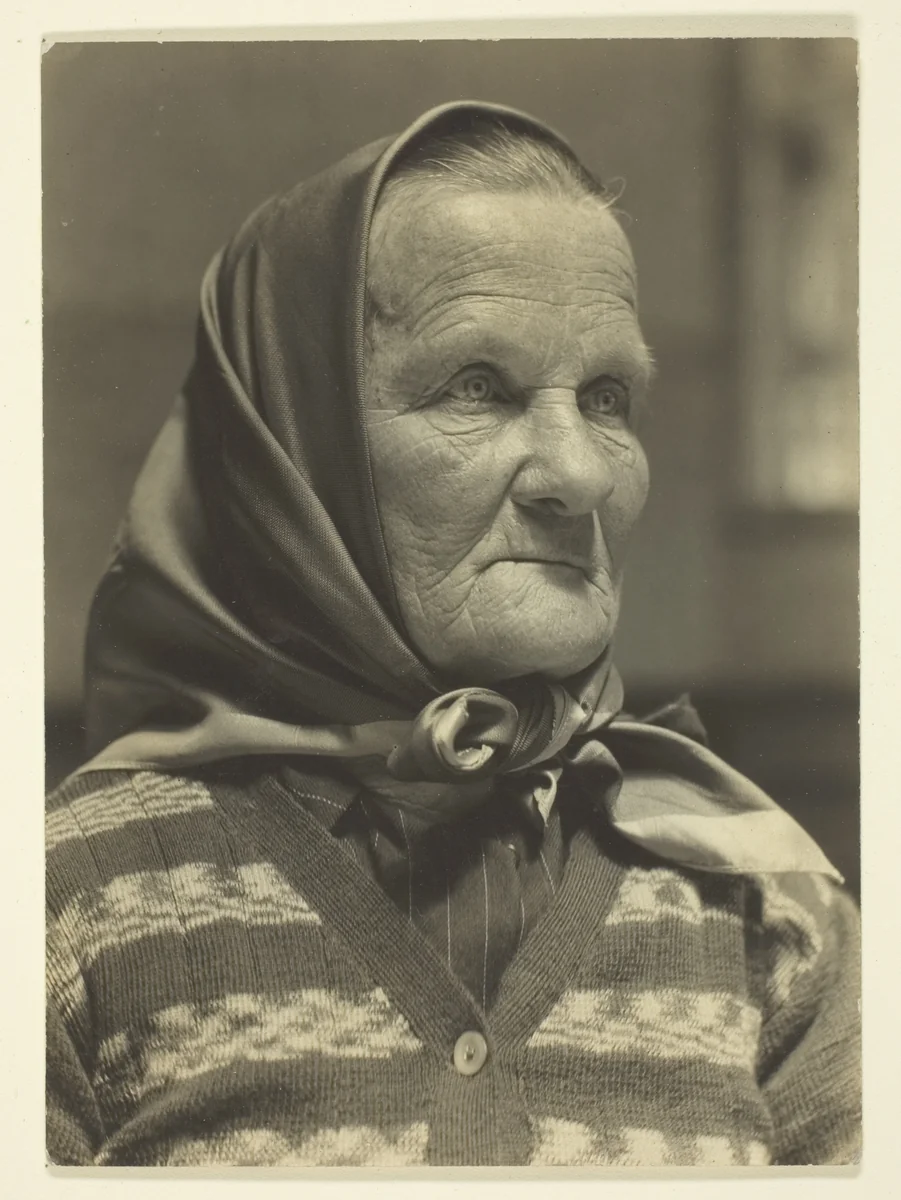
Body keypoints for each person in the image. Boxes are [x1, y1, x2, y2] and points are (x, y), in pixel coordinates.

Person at [46, 100, 861, 1168]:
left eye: (609, 397)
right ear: (293, 452)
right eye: (477, 387)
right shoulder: (63, 907)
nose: (578, 474)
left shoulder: (768, 905)